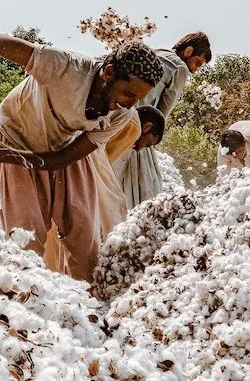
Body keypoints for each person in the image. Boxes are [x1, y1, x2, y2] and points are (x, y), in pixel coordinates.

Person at [0, 32, 163, 282]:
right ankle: (30, 294)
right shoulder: (65, 67)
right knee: (26, 235)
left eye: (137, 99)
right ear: (108, 72)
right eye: (128, 93)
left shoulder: (119, 114)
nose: (131, 104)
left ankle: (89, 302)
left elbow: (63, 158)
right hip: (14, 136)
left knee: (84, 232)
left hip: (61, 147)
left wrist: (19, 157)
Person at [44, 105, 166, 272]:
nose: (139, 149)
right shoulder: (133, 127)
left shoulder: (118, 115)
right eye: (147, 143)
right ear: (147, 127)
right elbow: (102, 162)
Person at [114, 32, 212, 208]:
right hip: (138, 127)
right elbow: (161, 114)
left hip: (117, 118)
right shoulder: (180, 68)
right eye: (197, 62)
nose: (195, 69)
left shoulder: (157, 53)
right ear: (188, 51)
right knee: (145, 188)